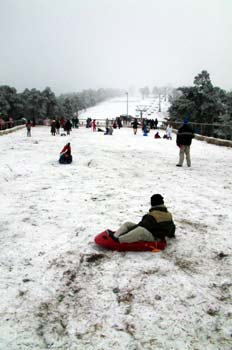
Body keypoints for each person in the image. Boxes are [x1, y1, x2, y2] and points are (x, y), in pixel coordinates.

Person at [108, 194, 175, 243]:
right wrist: (172, 235)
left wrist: (126, 233)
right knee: (128, 224)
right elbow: (172, 226)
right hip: (155, 232)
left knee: (140, 230)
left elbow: (141, 226)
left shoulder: (152, 216)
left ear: (152, 203)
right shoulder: (169, 214)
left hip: (155, 237)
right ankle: (115, 235)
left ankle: (118, 239)